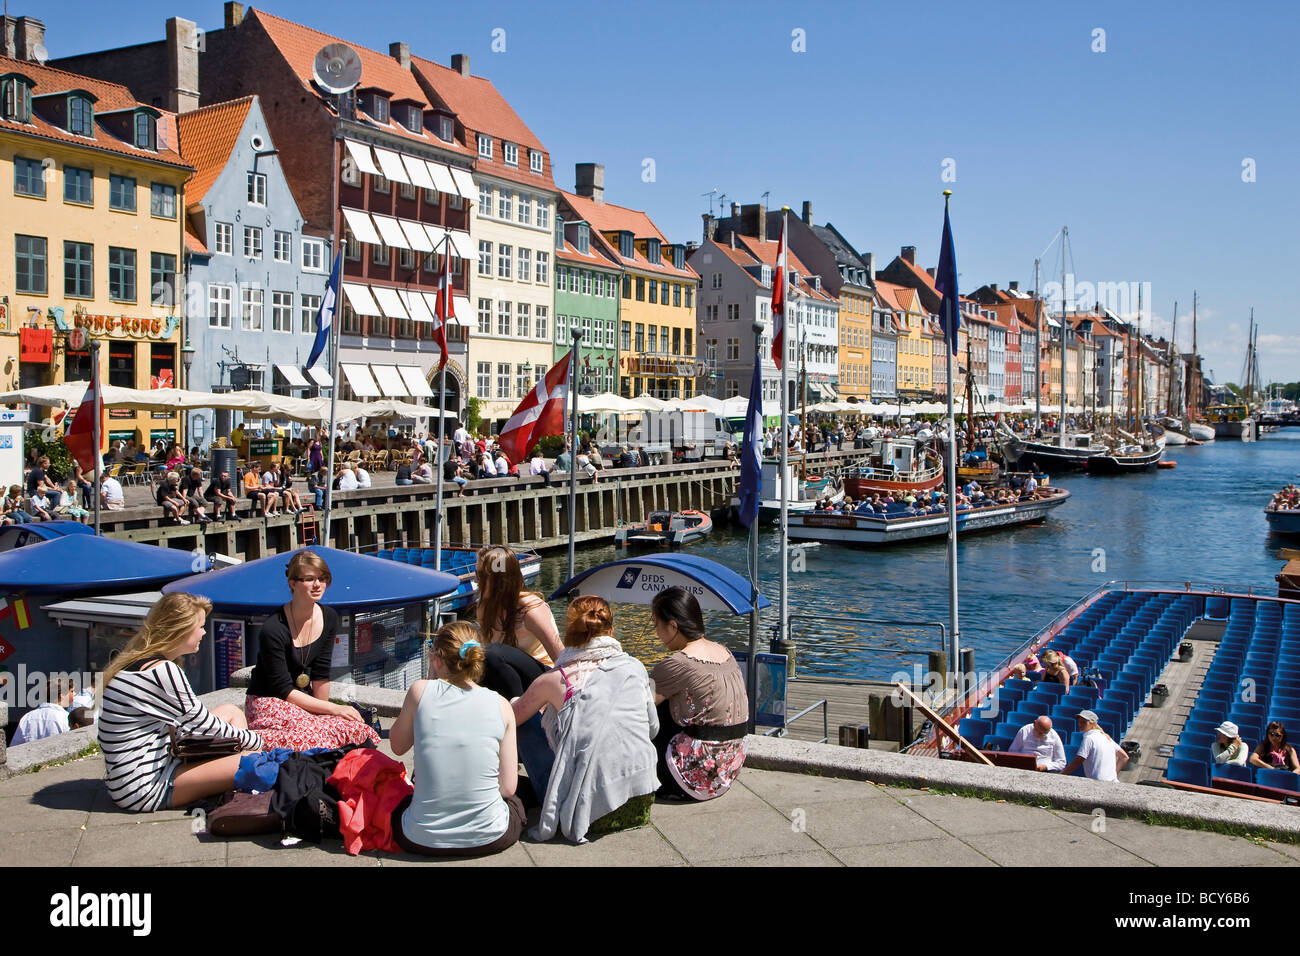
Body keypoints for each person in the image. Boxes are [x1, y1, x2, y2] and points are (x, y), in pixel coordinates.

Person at [98, 592, 263, 812]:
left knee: (230, 710)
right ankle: (232, 779)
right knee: (256, 760)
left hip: (125, 781)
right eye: (201, 626)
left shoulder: (138, 663)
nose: (204, 633)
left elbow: (190, 721)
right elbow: (202, 724)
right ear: (182, 629)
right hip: (144, 788)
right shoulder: (163, 671)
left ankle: (228, 776)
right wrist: (257, 740)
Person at [512, 596, 658, 843]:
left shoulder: (556, 679)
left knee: (522, 719)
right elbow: (652, 728)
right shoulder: (634, 667)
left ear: (569, 632)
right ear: (611, 631)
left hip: (586, 806)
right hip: (640, 796)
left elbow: (508, 721)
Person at [388, 622, 525, 857]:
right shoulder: (501, 704)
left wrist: (430, 680)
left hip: (420, 838)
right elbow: (508, 787)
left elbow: (397, 746)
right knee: (518, 804)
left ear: (437, 659)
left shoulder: (420, 692)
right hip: (490, 837)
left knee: (401, 803)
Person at [243, 551, 381, 751]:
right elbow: (284, 690)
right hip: (268, 702)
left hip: (301, 701)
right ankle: (257, 738)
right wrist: (334, 708)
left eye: (322, 578)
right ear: (292, 583)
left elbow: (321, 673)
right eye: (309, 579)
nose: (318, 585)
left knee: (357, 730)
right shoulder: (273, 629)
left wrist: (324, 717)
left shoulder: (329, 617)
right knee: (317, 740)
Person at [649, 587, 749, 801]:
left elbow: (638, 709)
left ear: (673, 626)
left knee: (656, 707)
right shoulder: (725, 652)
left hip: (694, 776)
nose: (656, 632)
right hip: (728, 769)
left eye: (656, 624)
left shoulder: (677, 663)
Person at [475, 546, 562, 668]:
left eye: (480, 575)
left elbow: (560, 657)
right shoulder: (484, 606)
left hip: (542, 674)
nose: (475, 580)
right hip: (508, 674)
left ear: (499, 579)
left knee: (494, 653)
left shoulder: (531, 611)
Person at [1062, 710, 1128, 781]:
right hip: (1112, 782)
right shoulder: (1106, 737)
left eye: (1084, 722)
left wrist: (1062, 775)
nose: (1080, 724)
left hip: (1098, 783)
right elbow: (1124, 757)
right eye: (1079, 721)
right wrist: (1114, 776)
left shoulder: (1089, 738)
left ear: (1092, 724)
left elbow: (1079, 760)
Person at [9, 676, 75, 746]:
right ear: (62, 695)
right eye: (72, 691)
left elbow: (14, 747)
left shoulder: (27, 717)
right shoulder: (66, 718)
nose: (74, 694)